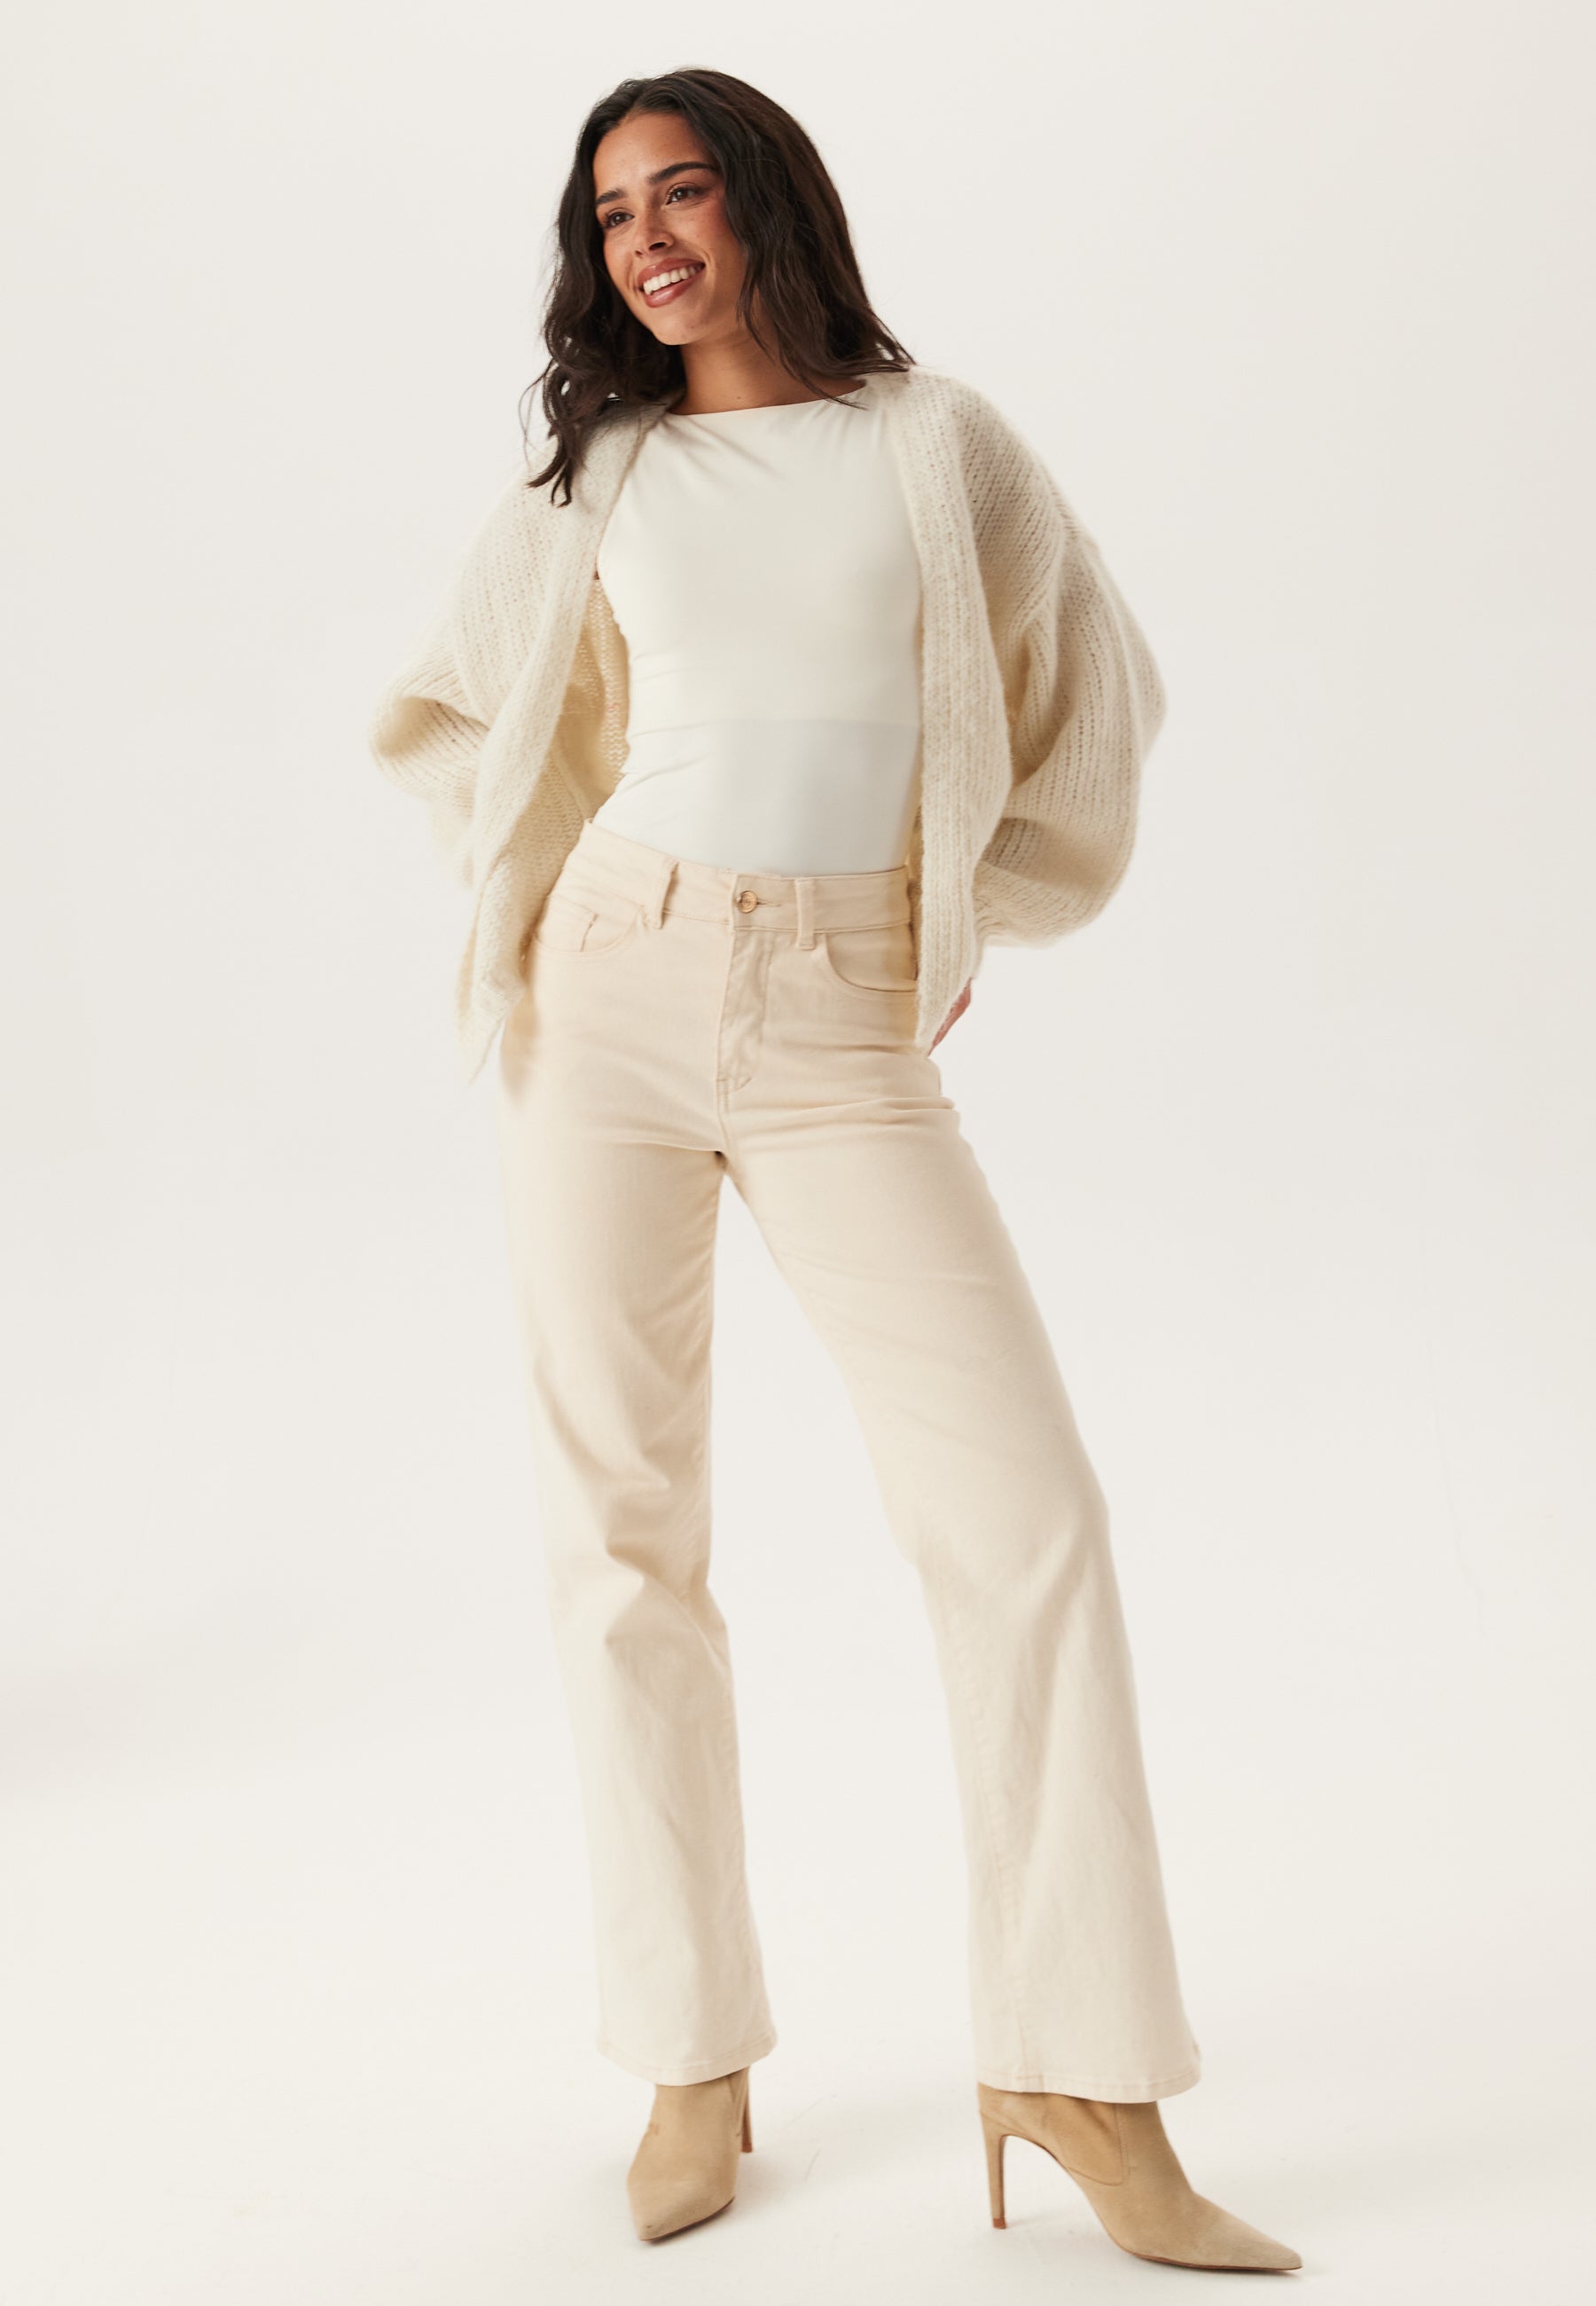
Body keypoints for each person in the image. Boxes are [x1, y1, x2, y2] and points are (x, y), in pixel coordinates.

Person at [368, 66, 1302, 2274]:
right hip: (609, 990)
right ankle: (690, 2055)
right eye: (613, 214)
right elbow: (451, 711)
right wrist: (536, 902)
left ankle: (1079, 2068)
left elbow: (1098, 689)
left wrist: (948, 906)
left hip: (845, 1015)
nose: (649, 240)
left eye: (684, 190)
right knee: (626, 1530)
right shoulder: (602, 477)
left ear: (770, 202)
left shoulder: (936, 445)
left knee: (1028, 1517)